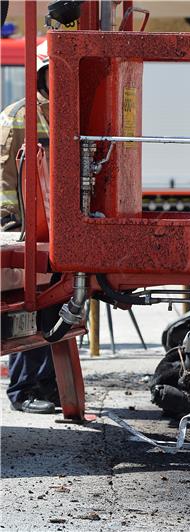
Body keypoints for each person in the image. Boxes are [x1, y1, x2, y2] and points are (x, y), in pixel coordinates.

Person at [1, 41, 59, 414]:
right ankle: (25, 389)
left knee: (57, 307)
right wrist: (10, 220)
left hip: (54, 228)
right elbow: (5, 176)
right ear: (41, 74)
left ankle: (49, 386)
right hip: (23, 227)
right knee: (29, 307)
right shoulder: (19, 116)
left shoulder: (66, 111)